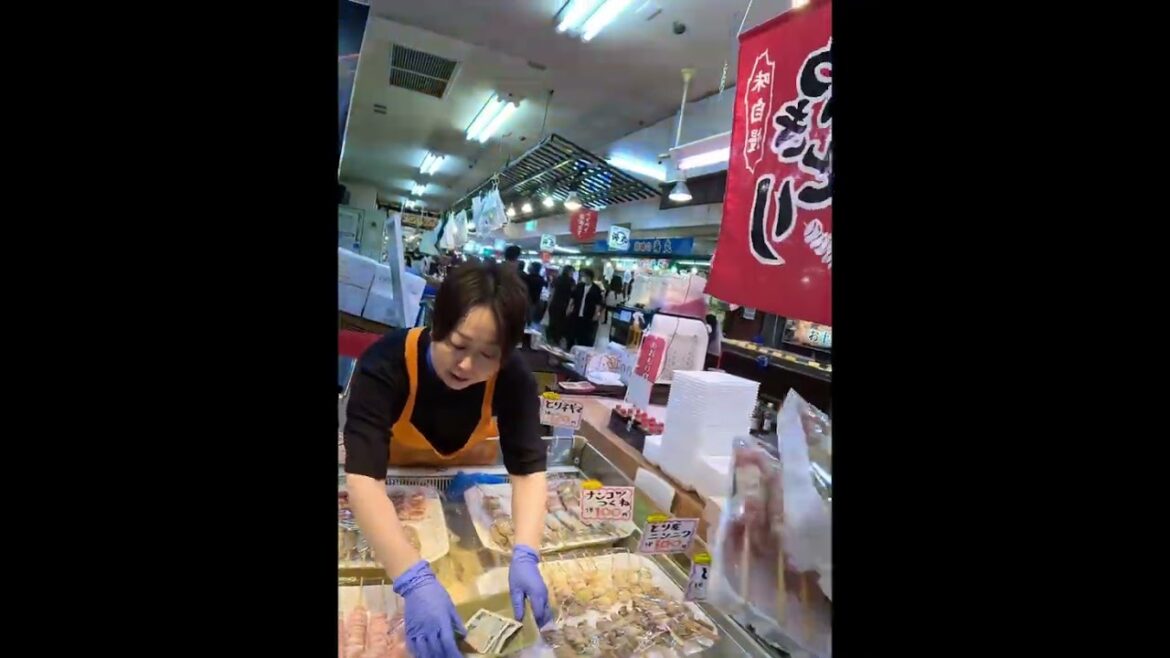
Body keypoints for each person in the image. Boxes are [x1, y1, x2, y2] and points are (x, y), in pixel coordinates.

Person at [343, 261, 552, 658]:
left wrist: (526, 551)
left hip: (462, 500)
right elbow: (364, 480)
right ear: (436, 324)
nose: (467, 365)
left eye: (487, 355)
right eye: (457, 345)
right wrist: (412, 579)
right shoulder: (384, 363)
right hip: (390, 497)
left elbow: (528, 472)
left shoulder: (514, 378)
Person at [566, 268, 603, 349]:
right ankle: (569, 348)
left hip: (587, 315)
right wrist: (569, 307)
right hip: (576, 313)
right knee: (572, 333)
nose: (583, 278)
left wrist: (596, 314)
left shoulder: (596, 289)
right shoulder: (579, 286)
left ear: (589, 277)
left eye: (584, 276)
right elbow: (572, 297)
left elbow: (598, 303)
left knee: (584, 336)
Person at [546, 265, 575, 346]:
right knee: (561, 323)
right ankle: (557, 339)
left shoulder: (557, 279)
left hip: (555, 303)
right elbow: (573, 295)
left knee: (552, 321)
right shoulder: (571, 281)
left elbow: (552, 292)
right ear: (569, 271)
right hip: (564, 304)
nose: (572, 273)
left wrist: (549, 303)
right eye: (572, 272)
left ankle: (550, 339)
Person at [523, 261, 545, 327]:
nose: (529, 268)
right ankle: (528, 327)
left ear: (533, 268)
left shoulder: (527, 277)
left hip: (526, 299)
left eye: (530, 266)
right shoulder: (541, 279)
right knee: (530, 316)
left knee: (523, 316)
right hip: (535, 300)